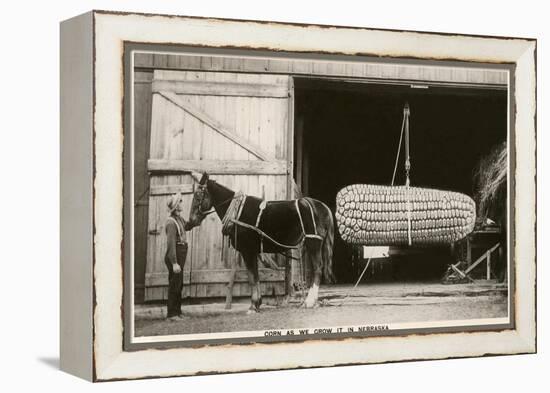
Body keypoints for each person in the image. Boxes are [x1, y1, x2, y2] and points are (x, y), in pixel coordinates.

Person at [165, 192, 192, 321]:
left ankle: (178, 311)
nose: (182, 203)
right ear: (176, 206)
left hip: (180, 253)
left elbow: (188, 226)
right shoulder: (171, 222)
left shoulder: (179, 219)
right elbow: (170, 245)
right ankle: (172, 314)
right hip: (174, 255)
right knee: (174, 284)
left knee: (179, 284)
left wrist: (199, 218)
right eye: (180, 201)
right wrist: (174, 262)